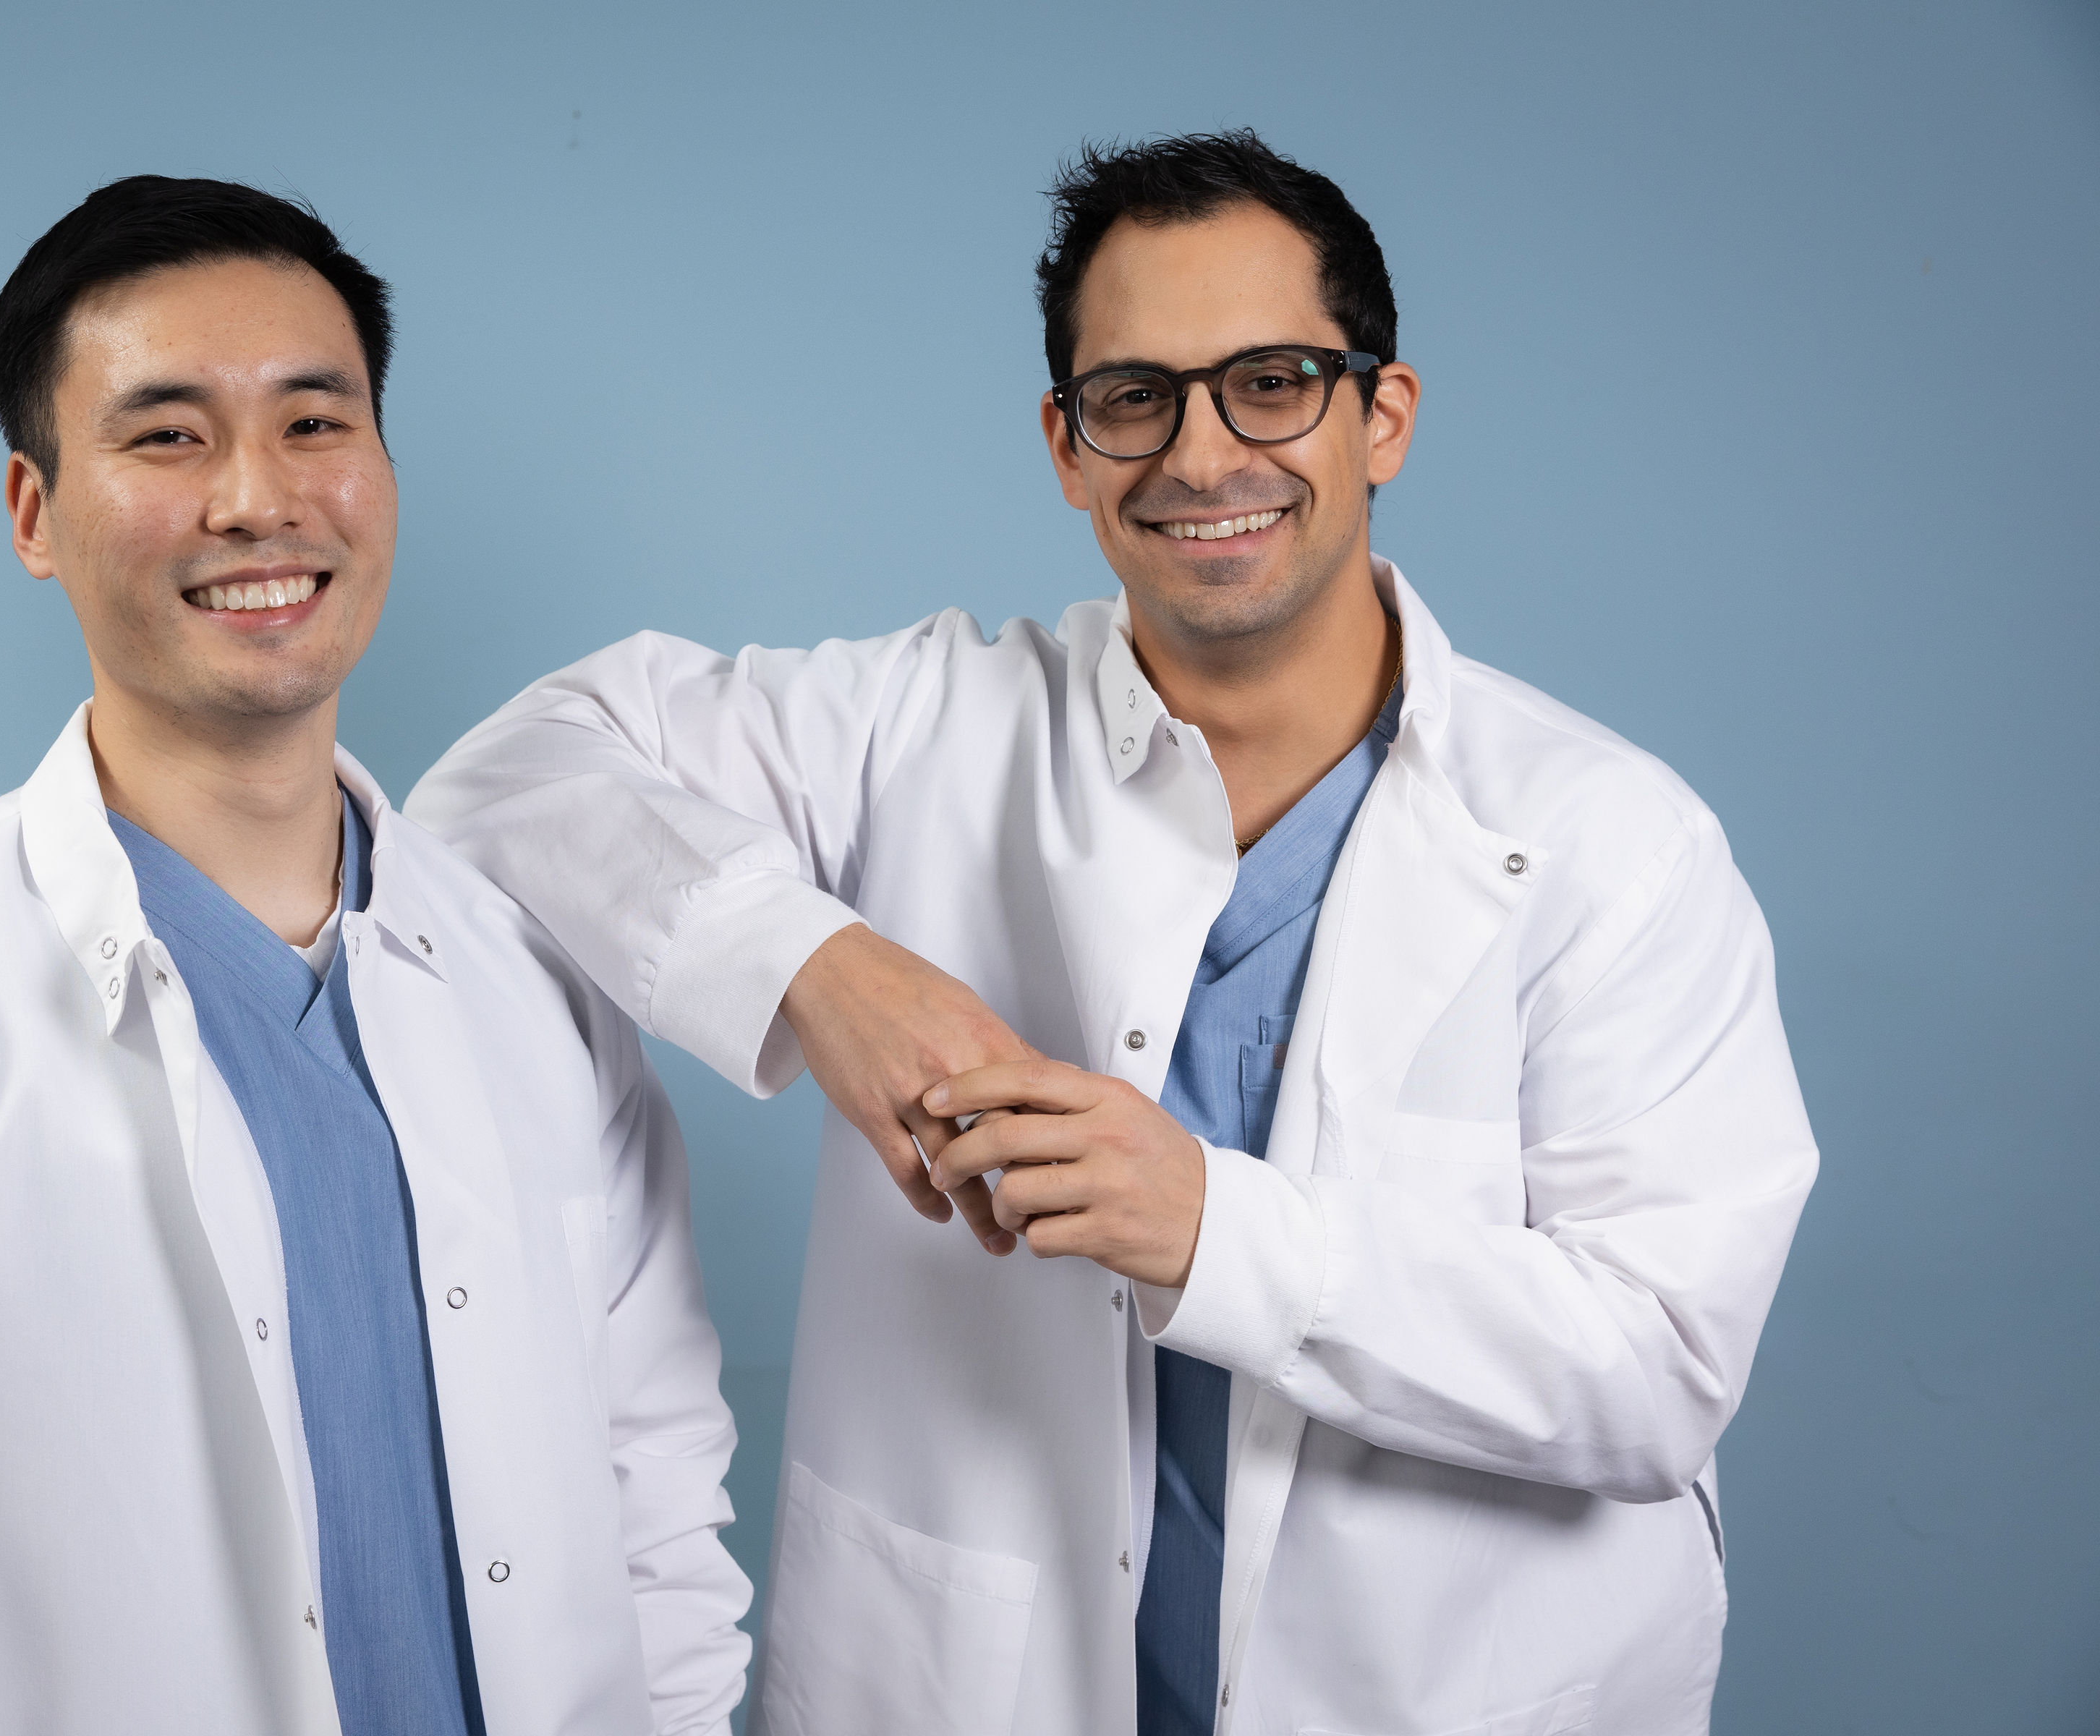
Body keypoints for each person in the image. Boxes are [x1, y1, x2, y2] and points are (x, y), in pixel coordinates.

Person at [409, 130, 1818, 1735]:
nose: (1204, 456)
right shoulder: (927, 724)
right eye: (1136, 397)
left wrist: (1211, 1228)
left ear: (1386, 417)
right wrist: (816, 966)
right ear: (1067, 447)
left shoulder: (1612, 842)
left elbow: (1657, 1368)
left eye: (1273, 381)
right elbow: (510, 775)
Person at [0, 176, 749, 1736]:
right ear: (34, 513)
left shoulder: (537, 983)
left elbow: (661, 1514)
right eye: (167, 434)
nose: (255, 500)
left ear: (384, 469)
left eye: (314, 423)